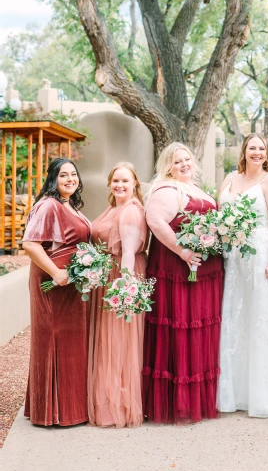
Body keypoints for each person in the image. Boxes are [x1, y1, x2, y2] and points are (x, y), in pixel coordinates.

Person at [142, 142, 223, 423]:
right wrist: (184, 251)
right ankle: (179, 403)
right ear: (168, 166)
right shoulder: (167, 189)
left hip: (205, 271)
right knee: (181, 327)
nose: (184, 165)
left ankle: (201, 399)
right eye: (177, 162)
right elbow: (155, 221)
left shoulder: (196, 188)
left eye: (187, 159)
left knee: (201, 329)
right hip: (179, 272)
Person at [217, 133, 268, 417]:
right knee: (236, 316)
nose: (257, 152)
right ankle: (235, 392)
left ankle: (265, 395)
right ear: (244, 151)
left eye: (261, 149)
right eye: (252, 148)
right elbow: (219, 217)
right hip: (234, 257)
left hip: (260, 253)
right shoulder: (229, 179)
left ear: (267, 154)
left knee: (260, 316)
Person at [22, 158, 91, 426]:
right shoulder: (48, 205)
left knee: (71, 345)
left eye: (74, 174)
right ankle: (51, 412)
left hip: (71, 287)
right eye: (64, 175)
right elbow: (31, 244)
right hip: (54, 285)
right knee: (53, 340)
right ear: (53, 178)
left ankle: (72, 408)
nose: (70, 179)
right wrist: (55, 272)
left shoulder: (69, 205)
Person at [88, 162, 148, 427]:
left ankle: (118, 406)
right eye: (115, 181)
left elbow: (127, 253)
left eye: (125, 181)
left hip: (121, 278)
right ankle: (109, 400)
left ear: (135, 183)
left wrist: (124, 288)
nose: (120, 185)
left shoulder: (130, 212)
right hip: (108, 275)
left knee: (119, 342)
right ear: (109, 184)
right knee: (109, 342)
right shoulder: (115, 207)